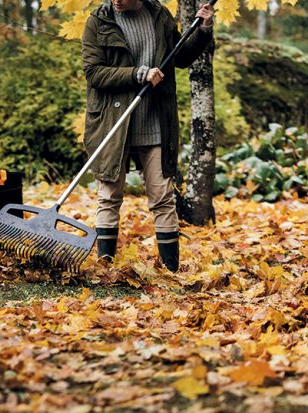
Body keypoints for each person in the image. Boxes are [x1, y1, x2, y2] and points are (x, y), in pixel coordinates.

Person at [82, 0, 215, 271]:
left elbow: (181, 57)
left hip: (155, 121)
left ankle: (171, 270)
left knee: (162, 197)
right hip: (114, 123)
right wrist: (138, 74)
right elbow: (94, 72)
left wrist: (203, 28)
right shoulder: (98, 20)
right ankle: (105, 267)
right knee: (109, 195)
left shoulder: (159, 15)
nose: (116, 0)